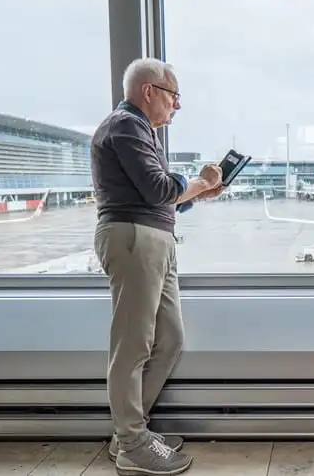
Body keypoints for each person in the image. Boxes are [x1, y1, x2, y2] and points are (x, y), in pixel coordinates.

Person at [90, 57, 224, 476]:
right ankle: (132, 443)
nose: (178, 106)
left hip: (152, 239)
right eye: (174, 95)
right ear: (149, 92)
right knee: (132, 346)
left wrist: (194, 195)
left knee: (168, 339)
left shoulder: (138, 130)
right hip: (134, 239)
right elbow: (158, 188)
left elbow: (160, 196)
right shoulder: (126, 125)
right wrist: (199, 182)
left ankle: (131, 433)